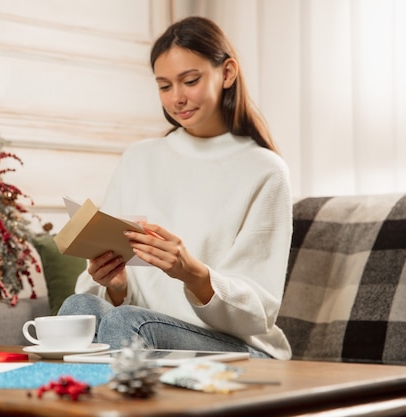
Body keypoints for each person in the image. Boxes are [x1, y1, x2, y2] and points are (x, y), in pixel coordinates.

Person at [58, 16, 292, 360]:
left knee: (129, 323)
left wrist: (193, 273)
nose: (177, 98)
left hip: (241, 349)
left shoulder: (265, 170)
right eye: (165, 86)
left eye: (190, 81)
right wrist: (118, 286)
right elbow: (116, 300)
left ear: (227, 73)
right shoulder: (139, 158)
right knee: (80, 304)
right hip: (144, 331)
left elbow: (259, 312)